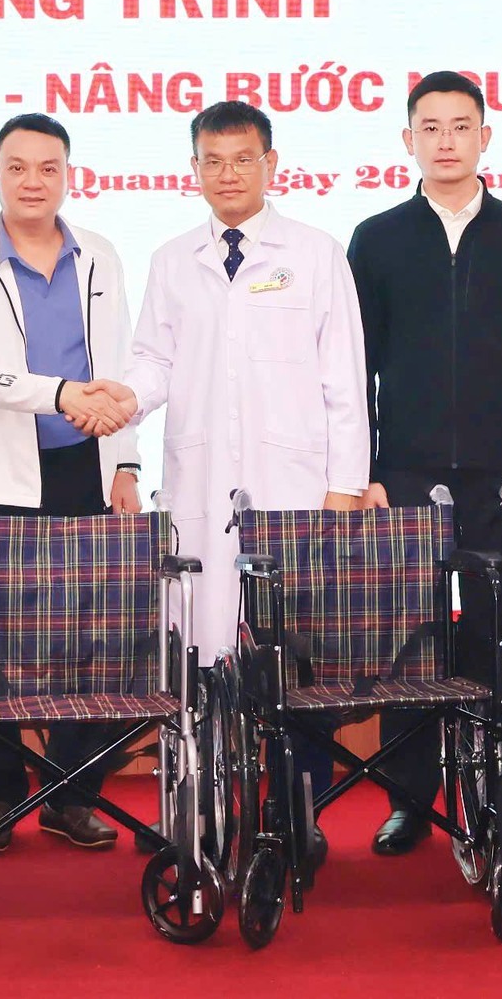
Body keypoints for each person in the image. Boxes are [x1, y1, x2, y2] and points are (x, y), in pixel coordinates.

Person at [122, 99, 368, 866]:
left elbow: (345, 379)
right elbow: (152, 362)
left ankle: (299, 814)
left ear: (271, 164)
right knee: (202, 656)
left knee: (292, 660)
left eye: (243, 159)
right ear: (193, 169)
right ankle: (201, 811)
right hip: (200, 487)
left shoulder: (316, 254)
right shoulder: (172, 260)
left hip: (296, 489)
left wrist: (344, 488)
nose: (228, 174)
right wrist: (121, 401)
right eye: (213, 161)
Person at [347, 70, 502, 856]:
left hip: (501, 475)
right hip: (403, 474)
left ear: (485, 136)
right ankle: (410, 799)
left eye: (461, 126)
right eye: (431, 127)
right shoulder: (376, 238)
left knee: (493, 634)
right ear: (408, 140)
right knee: (411, 640)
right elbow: (355, 367)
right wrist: (366, 470)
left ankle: (498, 784)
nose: (446, 141)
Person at [0, 113, 143, 853]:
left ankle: (72, 793)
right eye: (17, 167)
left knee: (93, 640)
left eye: (48, 168)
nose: (32, 181)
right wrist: (60, 394)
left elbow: (117, 366)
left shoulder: (100, 256)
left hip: (86, 467)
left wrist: (125, 461)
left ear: (68, 176)